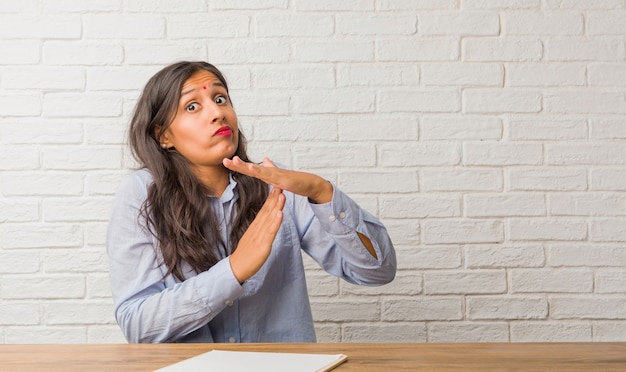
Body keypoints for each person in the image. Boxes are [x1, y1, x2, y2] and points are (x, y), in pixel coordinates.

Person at [106, 61, 396, 343]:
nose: (217, 113)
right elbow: (138, 325)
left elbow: (376, 271)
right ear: (163, 136)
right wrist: (234, 270)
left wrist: (322, 192)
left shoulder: (276, 187)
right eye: (192, 106)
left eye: (220, 99)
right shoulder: (140, 193)